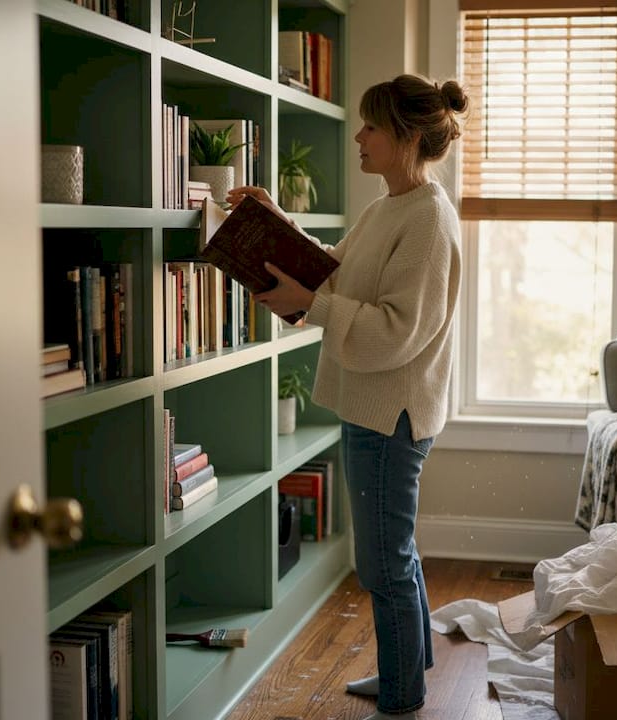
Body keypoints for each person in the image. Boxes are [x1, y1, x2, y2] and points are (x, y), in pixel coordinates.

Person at [226, 74, 469, 719]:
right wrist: (273, 221)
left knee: (382, 563)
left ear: (408, 138)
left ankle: (400, 695)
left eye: (371, 127)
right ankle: (410, 668)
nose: (358, 136)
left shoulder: (427, 221)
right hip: (378, 407)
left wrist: (314, 305)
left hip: (391, 414)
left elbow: (396, 331)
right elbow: (337, 269)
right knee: (398, 550)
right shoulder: (391, 205)